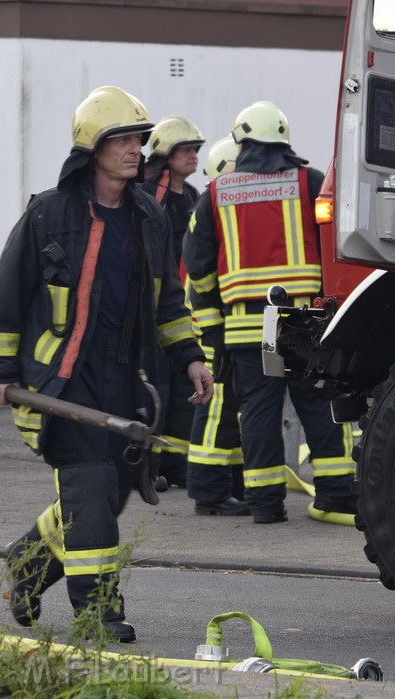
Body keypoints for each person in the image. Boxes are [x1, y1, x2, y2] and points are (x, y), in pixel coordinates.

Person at [0, 86, 213, 643]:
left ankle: (26, 566)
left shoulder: (148, 215)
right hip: (61, 380)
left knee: (110, 494)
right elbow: (8, 292)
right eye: (124, 139)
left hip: (123, 379)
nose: (137, 149)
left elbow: (166, 300)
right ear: (94, 146)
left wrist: (189, 358)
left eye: (139, 138)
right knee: (88, 496)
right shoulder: (50, 212)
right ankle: (98, 612)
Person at [183, 102, 357, 525]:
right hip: (303, 322)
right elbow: (338, 246)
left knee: (258, 412)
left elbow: (197, 269)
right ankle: (335, 495)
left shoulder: (217, 195)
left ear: (241, 142)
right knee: (317, 404)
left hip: (245, 326)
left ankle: (264, 504)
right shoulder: (311, 182)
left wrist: (213, 332)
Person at [184, 136, 249, 516]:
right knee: (215, 405)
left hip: (219, 328)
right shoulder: (212, 212)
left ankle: (229, 485)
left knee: (230, 409)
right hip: (210, 329)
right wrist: (215, 338)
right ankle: (208, 493)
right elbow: (201, 283)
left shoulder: (217, 210)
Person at [139, 115, 205, 491]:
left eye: (196, 149)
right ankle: (148, 467)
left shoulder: (193, 196)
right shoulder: (151, 194)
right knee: (156, 390)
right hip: (155, 310)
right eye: (186, 150)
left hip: (185, 309)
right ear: (166, 154)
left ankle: (177, 465)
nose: (194, 156)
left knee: (183, 393)